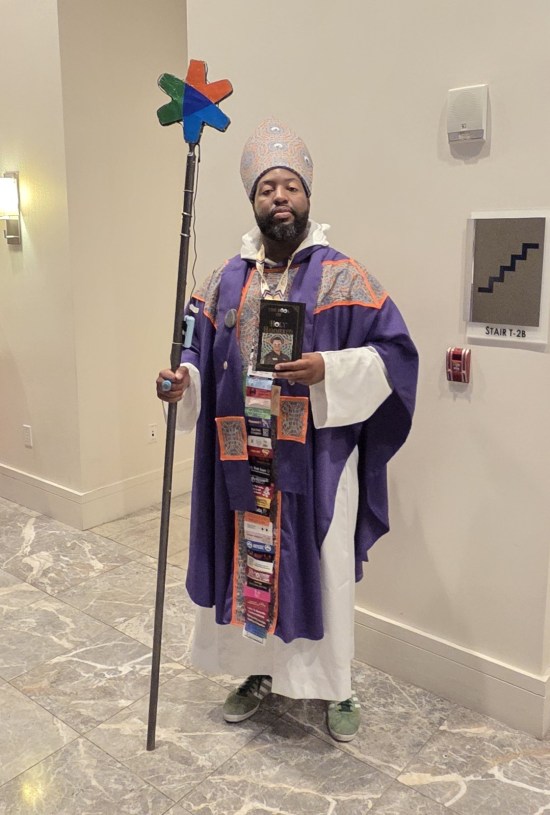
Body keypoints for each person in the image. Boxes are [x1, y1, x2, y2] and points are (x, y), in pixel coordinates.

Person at [157, 118, 418, 742]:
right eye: (268, 187)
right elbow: (192, 350)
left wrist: (328, 367)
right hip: (240, 457)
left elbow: (396, 356)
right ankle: (256, 673)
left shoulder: (344, 276)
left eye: (291, 188)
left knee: (320, 570)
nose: (280, 198)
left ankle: (338, 686)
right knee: (245, 560)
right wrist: (181, 382)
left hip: (316, 461)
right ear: (253, 199)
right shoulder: (223, 279)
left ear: (308, 197)